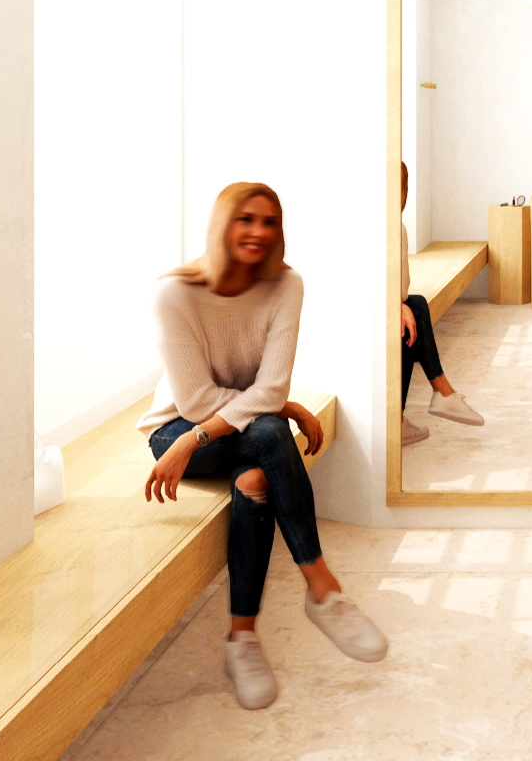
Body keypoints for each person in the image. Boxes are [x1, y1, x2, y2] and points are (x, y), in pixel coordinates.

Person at [140, 181, 387, 710]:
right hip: (175, 433)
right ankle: (322, 588)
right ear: (221, 224)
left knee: (256, 477)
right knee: (273, 432)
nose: (257, 231)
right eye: (245, 219)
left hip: (220, 430)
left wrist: (278, 405)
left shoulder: (286, 286)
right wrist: (212, 431)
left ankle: (242, 638)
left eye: (269, 221)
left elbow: (272, 388)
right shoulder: (175, 293)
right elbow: (196, 398)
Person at [400, 161, 483, 445]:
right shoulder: (385, 229)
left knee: (416, 308)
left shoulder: (393, 227)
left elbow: (400, 287)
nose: (402, 196)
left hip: (383, 309)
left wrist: (399, 304)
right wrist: (397, 305)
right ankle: (443, 393)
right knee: (414, 311)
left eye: (404, 187)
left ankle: (439, 396)